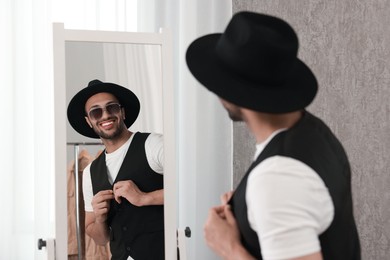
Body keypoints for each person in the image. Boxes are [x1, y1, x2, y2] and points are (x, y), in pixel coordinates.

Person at [186, 11, 361, 260]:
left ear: (230, 92)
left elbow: (284, 184)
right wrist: (251, 210)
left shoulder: (277, 176)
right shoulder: (313, 131)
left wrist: (228, 247)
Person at [67, 79, 164, 260]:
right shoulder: (90, 173)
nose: (105, 115)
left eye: (111, 108)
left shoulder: (153, 145)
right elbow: (100, 238)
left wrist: (145, 198)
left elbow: (189, 187)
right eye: (96, 112)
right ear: (89, 121)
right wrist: (100, 218)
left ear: (122, 112)